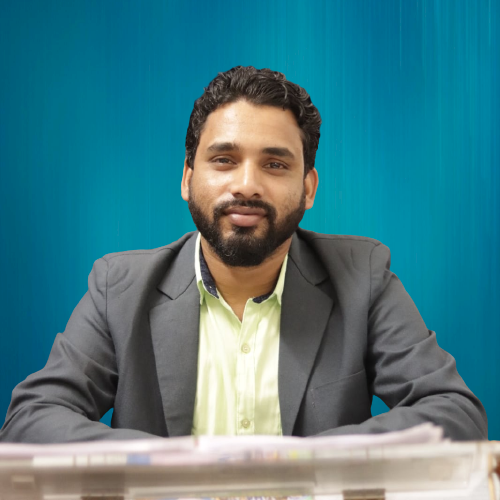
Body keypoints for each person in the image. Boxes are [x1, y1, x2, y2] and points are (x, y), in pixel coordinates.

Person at [0, 66, 487, 443]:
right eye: (224, 160)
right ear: (188, 178)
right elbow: (32, 420)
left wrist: (302, 467)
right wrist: (168, 468)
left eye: (274, 164)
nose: (247, 185)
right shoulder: (118, 288)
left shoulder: (364, 277)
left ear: (308, 187)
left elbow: (455, 414)